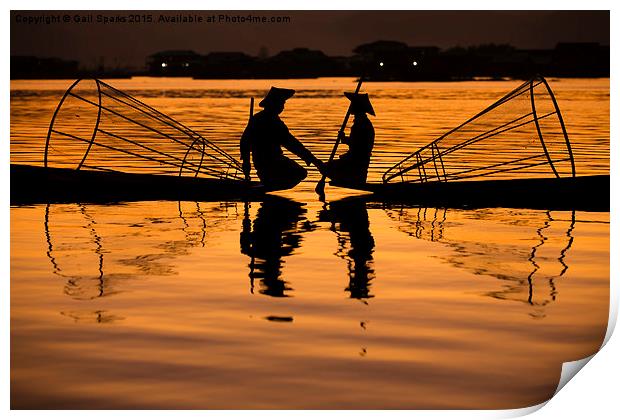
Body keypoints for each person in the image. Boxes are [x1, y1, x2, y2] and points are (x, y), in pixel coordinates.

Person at [240, 87, 325, 191]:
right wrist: (246, 162)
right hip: (272, 163)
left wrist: (312, 159)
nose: (283, 107)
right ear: (275, 104)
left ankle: (269, 184)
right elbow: (292, 144)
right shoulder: (273, 123)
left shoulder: (258, 118)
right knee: (300, 173)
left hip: (263, 163)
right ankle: (270, 184)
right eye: (282, 103)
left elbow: (244, 141)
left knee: (299, 172)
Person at [326, 92, 375, 186]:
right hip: (354, 160)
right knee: (326, 167)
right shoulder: (360, 122)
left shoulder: (363, 124)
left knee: (327, 167)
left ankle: (351, 178)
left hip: (357, 162)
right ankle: (349, 177)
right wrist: (344, 139)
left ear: (357, 107)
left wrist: (344, 139)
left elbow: (359, 145)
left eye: (352, 104)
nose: (350, 107)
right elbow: (356, 142)